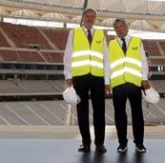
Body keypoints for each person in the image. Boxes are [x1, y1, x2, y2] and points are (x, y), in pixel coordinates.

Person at [63, 8, 109, 153]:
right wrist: (68, 76)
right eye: (87, 16)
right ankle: (85, 143)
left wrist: (107, 81)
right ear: (83, 18)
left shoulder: (100, 34)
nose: (90, 18)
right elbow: (68, 55)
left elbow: (106, 59)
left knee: (99, 112)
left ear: (95, 19)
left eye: (93, 16)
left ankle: (99, 143)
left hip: (97, 77)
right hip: (80, 77)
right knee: (82, 111)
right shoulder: (74, 32)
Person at [108, 18, 150, 154]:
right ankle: (122, 143)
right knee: (120, 115)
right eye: (117, 28)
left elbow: (143, 61)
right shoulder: (112, 44)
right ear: (115, 30)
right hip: (118, 83)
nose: (120, 29)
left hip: (134, 83)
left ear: (127, 27)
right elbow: (108, 65)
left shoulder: (137, 41)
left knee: (137, 114)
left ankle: (139, 143)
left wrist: (144, 78)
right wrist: (107, 82)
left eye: (122, 26)